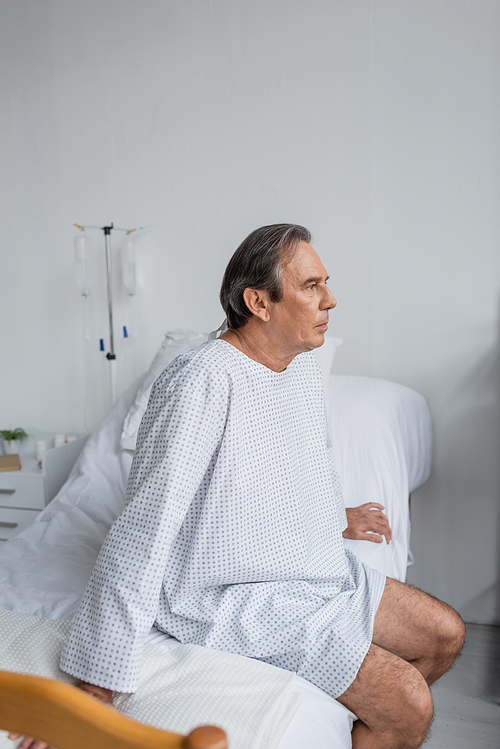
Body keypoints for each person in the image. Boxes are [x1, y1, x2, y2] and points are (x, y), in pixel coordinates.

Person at [11, 224, 464, 749]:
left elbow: (283, 476)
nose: (331, 299)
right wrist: (97, 683)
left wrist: (336, 518)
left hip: (312, 569)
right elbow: (144, 529)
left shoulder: (300, 368)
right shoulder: (201, 381)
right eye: (312, 286)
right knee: (409, 702)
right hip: (234, 597)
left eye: (325, 283)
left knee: (445, 635)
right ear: (259, 302)